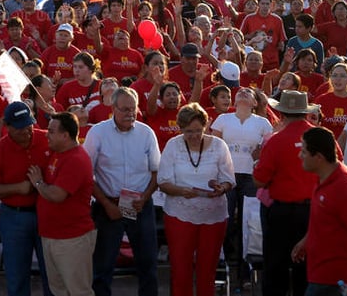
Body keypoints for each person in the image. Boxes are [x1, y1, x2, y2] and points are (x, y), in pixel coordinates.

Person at [83, 87, 160, 296]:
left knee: (147, 264)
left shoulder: (146, 133)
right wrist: (107, 205)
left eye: (133, 109)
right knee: (103, 265)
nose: (130, 114)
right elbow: (86, 175)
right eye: (125, 109)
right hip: (108, 205)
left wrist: (144, 198)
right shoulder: (97, 133)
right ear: (113, 108)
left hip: (140, 204)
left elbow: (156, 172)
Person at [158, 103, 235, 296]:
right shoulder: (173, 145)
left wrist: (221, 188)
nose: (193, 136)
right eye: (188, 131)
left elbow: (229, 179)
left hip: (213, 216)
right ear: (181, 128)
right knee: (181, 270)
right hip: (179, 214)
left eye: (198, 131)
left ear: (206, 126)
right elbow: (163, 182)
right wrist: (183, 191)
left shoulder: (219, 145)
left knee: (207, 271)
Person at [0, 101, 52, 296]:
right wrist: (18, 188)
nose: (26, 131)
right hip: (15, 218)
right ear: (8, 127)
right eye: (20, 127)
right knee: (17, 276)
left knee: (53, 275)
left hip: (48, 214)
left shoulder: (48, 139)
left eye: (29, 124)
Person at [291, 127, 347, 296]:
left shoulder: (345, 187)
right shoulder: (325, 177)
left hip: (338, 279)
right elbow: (327, 219)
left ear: (319, 157)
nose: (300, 156)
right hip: (322, 273)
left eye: (304, 152)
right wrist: (306, 241)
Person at [253, 91, 320, 296]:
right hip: (314, 211)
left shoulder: (276, 141)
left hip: (282, 211)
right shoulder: (321, 137)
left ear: (281, 113)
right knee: (308, 270)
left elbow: (259, 180)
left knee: (275, 269)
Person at [27, 112, 96, 296]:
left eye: (51, 131)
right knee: (59, 290)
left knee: (78, 291)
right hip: (52, 235)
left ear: (65, 135)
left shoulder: (76, 159)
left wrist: (38, 183)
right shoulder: (58, 153)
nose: (46, 134)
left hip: (71, 239)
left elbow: (57, 195)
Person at [210, 87, 273, 283]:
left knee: (250, 224)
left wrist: (260, 154)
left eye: (249, 92)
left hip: (251, 178)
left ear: (255, 103)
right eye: (240, 92)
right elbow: (214, 147)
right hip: (227, 177)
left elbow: (269, 149)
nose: (244, 92)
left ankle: (246, 271)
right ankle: (225, 264)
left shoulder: (263, 123)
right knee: (226, 222)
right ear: (234, 101)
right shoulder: (222, 119)